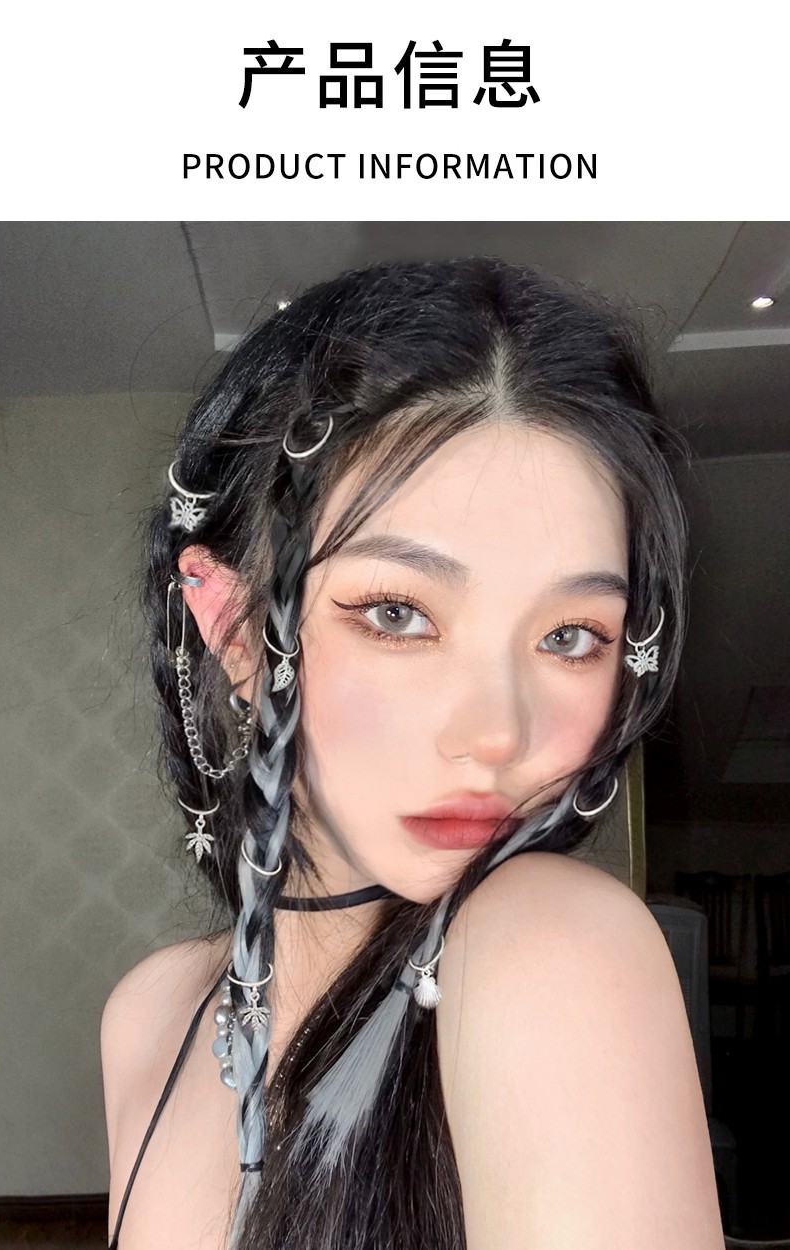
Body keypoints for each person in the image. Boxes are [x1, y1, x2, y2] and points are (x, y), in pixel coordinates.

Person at [100, 256, 725, 1250]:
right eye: (397, 613)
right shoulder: (149, 1013)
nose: (498, 733)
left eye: (570, 635)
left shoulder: (554, 948)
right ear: (230, 627)